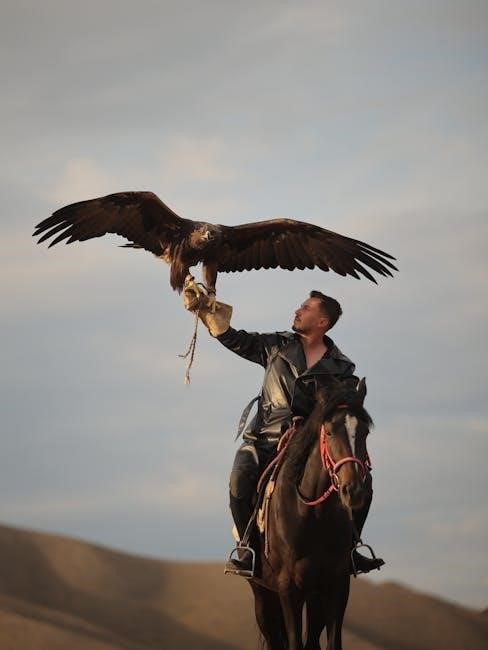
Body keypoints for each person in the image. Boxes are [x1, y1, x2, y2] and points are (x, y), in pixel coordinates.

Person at [183, 287, 384, 577]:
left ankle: (352, 548)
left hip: (312, 444)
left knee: (364, 480)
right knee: (239, 480)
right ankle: (247, 549)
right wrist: (210, 315)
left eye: (306, 308)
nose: (297, 310)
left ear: (322, 322)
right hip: (264, 438)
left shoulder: (342, 367)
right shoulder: (275, 346)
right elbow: (237, 340)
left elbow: (344, 413)